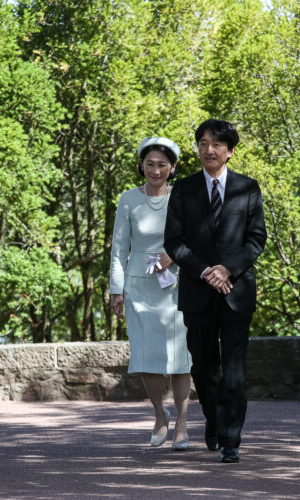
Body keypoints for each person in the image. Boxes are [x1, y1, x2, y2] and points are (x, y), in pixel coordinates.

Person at [164, 119, 267, 463]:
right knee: (204, 366)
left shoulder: (248, 188)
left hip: (237, 291)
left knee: (235, 367)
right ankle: (214, 419)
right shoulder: (183, 189)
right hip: (197, 291)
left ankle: (231, 438)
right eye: (203, 143)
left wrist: (228, 269)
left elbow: (256, 240)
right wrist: (207, 271)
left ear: (230, 151)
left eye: (217, 145)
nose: (209, 150)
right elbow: (174, 242)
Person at [109, 137, 192, 450]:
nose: (155, 170)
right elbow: (119, 248)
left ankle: (183, 421)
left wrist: (173, 255)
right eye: (150, 164)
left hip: (177, 285)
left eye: (162, 165)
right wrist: (116, 289)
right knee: (146, 358)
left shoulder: (183, 197)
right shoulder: (128, 199)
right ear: (141, 165)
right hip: (140, 287)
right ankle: (160, 414)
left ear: (172, 168)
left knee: (181, 358)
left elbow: (197, 236)